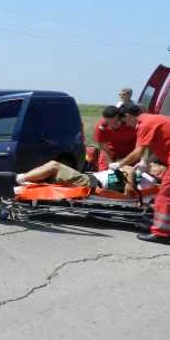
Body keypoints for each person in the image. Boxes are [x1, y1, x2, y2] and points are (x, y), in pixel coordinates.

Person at [114, 104, 170, 243]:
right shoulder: (155, 120)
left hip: (113, 178)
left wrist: (119, 165)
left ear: (127, 116)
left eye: (125, 121)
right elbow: (161, 146)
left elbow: (137, 152)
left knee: (164, 196)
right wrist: (146, 162)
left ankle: (161, 234)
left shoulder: (144, 124)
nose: (127, 125)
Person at [16, 159, 163, 196]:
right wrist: (125, 168)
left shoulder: (149, 181)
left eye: (156, 165)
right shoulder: (143, 173)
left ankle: (20, 178)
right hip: (91, 177)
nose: (152, 165)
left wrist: (131, 172)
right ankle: (25, 179)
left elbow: (130, 195)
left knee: (55, 166)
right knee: (52, 167)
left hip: (91, 183)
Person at [92, 105, 136, 171]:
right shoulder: (101, 127)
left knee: (133, 172)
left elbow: (141, 146)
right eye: (108, 123)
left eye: (115, 122)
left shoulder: (130, 124)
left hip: (130, 152)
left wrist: (123, 162)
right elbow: (104, 149)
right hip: (110, 152)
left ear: (121, 118)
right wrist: (111, 165)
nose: (112, 125)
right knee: (105, 172)